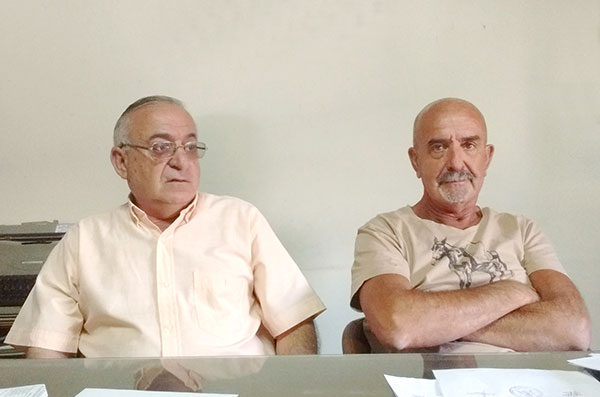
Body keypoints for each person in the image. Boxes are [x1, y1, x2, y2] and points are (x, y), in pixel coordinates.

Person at [7, 95, 325, 358]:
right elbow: (47, 347)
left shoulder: (241, 220)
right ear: (121, 161)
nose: (180, 161)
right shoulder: (85, 240)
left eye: (190, 147)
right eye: (161, 147)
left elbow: (294, 323)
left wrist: (293, 390)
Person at [351, 97, 591, 353]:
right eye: (439, 147)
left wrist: (434, 325)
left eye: (469, 145)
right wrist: (514, 293)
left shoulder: (522, 230)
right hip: (432, 378)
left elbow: (574, 330)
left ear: (487, 158)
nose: (456, 162)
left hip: (525, 377)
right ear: (415, 161)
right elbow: (399, 325)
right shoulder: (384, 232)